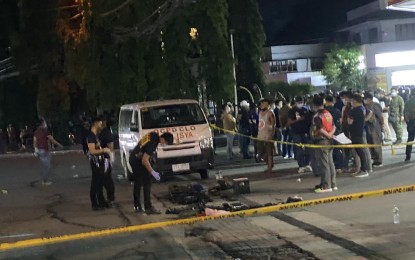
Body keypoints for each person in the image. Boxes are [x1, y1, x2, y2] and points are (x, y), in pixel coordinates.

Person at [129, 132, 174, 214]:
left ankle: (138, 206)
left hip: (134, 157)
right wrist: (153, 172)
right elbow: (145, 160)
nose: (164, 144)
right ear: (163, 139)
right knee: (146, 182)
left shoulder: (153, 135)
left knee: (139, 182)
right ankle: (147, 207)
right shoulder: (153, 143)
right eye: (166, 143)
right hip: (137, 160)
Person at [310, 96, 337, 193]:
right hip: (330, 141)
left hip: (321, 141)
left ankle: (326, 185)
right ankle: (332, 184)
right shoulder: (328, 113)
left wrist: (327, 135)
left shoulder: (317, 116)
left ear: (314, 105)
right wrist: (330, 134)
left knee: (323, 164)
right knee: (330, 163)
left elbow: (319, 128)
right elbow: (334, 126)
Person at [87, 117, 112, 210]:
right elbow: (92, 151)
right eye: (100, 122)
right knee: (95, 183)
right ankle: (94, 204)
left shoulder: (95, 135)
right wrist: (103, 150)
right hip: (95, 162)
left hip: (100, 161)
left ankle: (101, 201)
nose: (101, 124)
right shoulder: (91, 136)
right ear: (96, 123)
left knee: (100, 182)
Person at [348, 94, 372, 178]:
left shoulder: (354, 110)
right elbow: (370, 112)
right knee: (362, 151)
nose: (350, 102)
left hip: (355, 132)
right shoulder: (362, 108)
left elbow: (349, 122)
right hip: (360, 131)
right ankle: (363, 169)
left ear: (354, 101)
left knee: (360, 152)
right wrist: (364, 120)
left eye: (351, 101)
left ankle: (364, 170)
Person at [33, 119, 63, 185]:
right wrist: (59, 145)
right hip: (44, 150)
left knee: (46, 165)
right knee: (47, 166)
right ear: (42, 124)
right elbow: (52, 140)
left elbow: (35, 141)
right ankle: (44, 180)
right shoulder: (45, 131)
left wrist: (35, 149)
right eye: (44, 123)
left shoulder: (36, 132)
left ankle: (45, 178)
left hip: (40, 150)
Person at [287, 96, 312, 174]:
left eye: (301, 102)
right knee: (299, 150)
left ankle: (307, 164)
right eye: (298, 102)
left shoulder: (306, 110)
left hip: (306, 132)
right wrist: (298, 120)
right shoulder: (292, 111)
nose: (300, 103)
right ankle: (301, 165)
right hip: (296, 132)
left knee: (308, 149)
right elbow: (289, 122)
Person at [363, 92, 384, 167]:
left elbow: (380, 116)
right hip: (369, 127)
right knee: (371, 143)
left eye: (365, 98)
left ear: (369, 99)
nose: (364, 100)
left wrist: (382, 125)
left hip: (375, 127)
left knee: (376, 143)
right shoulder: (366, 106)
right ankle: (375, 159)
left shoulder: (375, 105)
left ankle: (378, 161)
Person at [99, 118, 115, 206]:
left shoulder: (106, 133)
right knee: (105, 179)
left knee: (107, 178)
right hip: (104, 158)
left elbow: (111, 147)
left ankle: (110, 198)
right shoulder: (102, 133)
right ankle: (109, 198)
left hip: (106, 159)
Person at [324, 95, 343, 173]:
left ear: (326, 101)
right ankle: (338, 167)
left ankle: (330, 167)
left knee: (328, 151)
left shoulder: (324, 111)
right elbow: (340, 121)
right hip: (336, 131)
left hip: (326, 132)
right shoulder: (337, 111)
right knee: (337, 149)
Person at [257, 98, 276, 173]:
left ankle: (269, 167)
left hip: (268, 135)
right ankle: (269, 164)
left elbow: (274, 125)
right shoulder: (260, 112)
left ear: (268, 104)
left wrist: (272, 134)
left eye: (263, 103)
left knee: (269, 151)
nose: (261, 105)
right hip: (260, 135)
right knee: (260, 151)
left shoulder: (270, 113)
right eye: (261, 103)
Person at [404, 92, 415, 162]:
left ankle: (408, 156)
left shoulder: (408, 102)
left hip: (411, 122)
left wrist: (408, 122)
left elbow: (405, 113)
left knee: (410, 139)